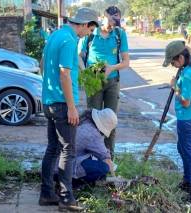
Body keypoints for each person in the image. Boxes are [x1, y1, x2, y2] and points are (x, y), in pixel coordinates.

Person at [39, 7, 99, 212]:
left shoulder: (56, 34)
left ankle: (46, 194)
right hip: (62, 104)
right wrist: (72, 108)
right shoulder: (70, 40)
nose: (89, 34)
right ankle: (66, 198)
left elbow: (42, 64)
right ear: (84, 24)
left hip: (49, 101)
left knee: (53, 149)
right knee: (68, 150)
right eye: (90, 30)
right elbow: (65, 74)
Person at [78, 6, 130, 159]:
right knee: (92, 120)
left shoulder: (119, 34)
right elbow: (78, 56)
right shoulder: (90, 34)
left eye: (115, 23)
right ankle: (90, 158)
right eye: (110, 22)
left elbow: (126, 61)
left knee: (111, 121)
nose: (112, 26)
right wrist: (85, 72)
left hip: (112, 81)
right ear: (102, 16)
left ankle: (108, 159)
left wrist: (112, 67)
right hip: (93, 82)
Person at [162, 41, 191, 204]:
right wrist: (190, 49)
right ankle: (187, 182)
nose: (173, 66)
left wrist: (175, 87)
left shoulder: (187, 75)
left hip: (187, 118)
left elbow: (185, 102)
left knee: (190, 153)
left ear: (181, 57)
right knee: (182, 148)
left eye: (173, 62)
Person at [54, 108, 117, 188]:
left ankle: (62, 182)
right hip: (63, 168)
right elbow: (106, 159)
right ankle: (68, 185)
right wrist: (115, 178)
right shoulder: (93, 133)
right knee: (104, 169)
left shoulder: (84, 122)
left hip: (54, 166)